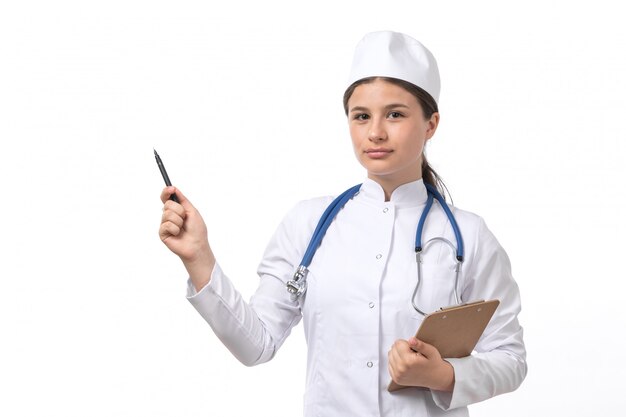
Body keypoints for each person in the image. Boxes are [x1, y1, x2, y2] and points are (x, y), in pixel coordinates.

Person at [158, 31, 527, 417]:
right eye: (362, 116)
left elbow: (510, 359)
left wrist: (445, 375)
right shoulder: (308, 223)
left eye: (396, 114)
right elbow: (257, 345)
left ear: (431, 123)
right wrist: (198, 257)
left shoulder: (469, 236)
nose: (375, 132)